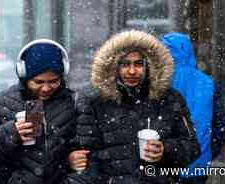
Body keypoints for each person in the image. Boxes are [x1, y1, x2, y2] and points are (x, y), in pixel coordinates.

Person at [68, 30, 200, 184]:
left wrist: (166, 150)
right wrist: (72, 159)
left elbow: (192, 147)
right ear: (114, 66)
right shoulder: (94, 101)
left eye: (138, 64)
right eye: (125, 64)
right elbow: (82, 152)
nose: (132, 71)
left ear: (150, 65)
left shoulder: (170, 99)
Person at [0, 39, 76, 184]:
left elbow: (93, 152)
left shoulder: (75, 103)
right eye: (39, 82)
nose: (46, 88)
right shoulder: (0, 103)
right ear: (24, 75)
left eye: (53, 81)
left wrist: (70, 161)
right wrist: (10, 133)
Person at [162, 32, 225, 184]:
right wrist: (208, 152)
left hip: (162, 163)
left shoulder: (158, 81)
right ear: (189, 51)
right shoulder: (207, 83)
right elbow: (220, 126)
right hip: (197, 164)